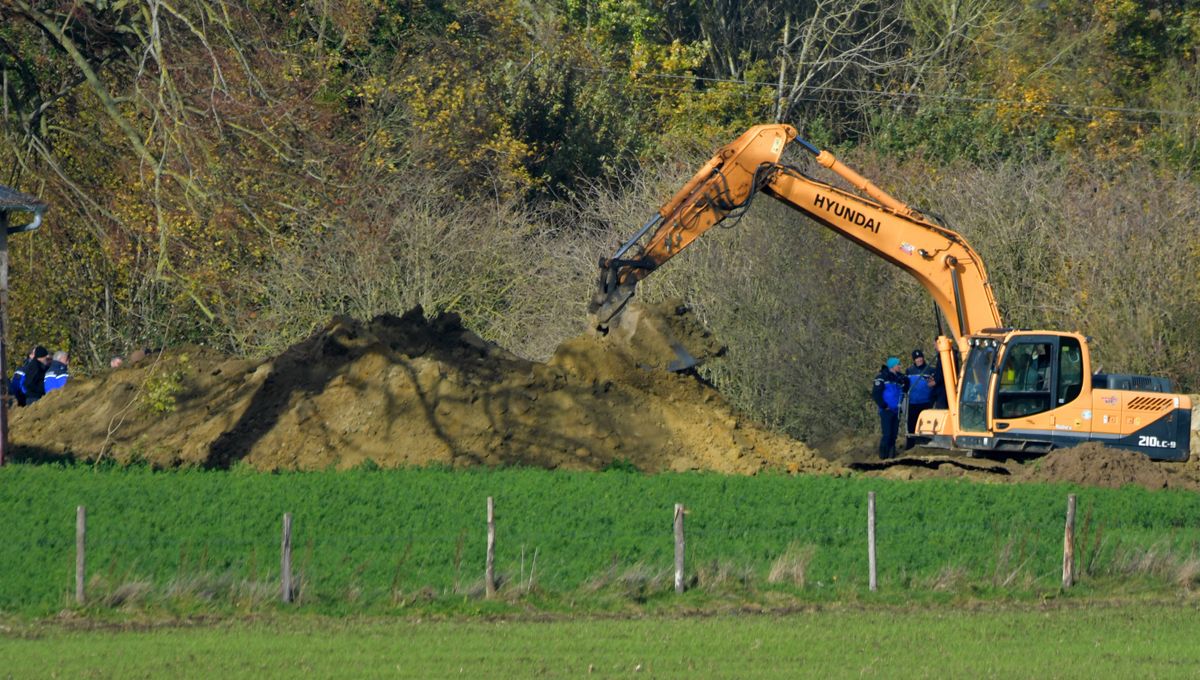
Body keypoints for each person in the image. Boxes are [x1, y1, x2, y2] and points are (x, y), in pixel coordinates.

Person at [872, 356, 910, 459]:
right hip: (886, 410)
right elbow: (876, 394)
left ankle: (891, 455)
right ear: (893, 366)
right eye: (898, 365)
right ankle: (883, 456)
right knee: (887, 434)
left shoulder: (898, 378)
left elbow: (905, 388)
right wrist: (884, 406)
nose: (899, 366)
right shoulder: (882, 377)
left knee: (894, 435)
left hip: (896, 410)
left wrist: (905, 381)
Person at [904, 349, 935, 449]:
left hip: (926, 402)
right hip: (913, 402)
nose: (919, 360)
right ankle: (910, 445)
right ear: (914, 360)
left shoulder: (930, 370)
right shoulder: (909, 371)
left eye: (920, 357)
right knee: (911, 424)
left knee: (926, 424)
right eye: (917, 358)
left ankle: (925, 444)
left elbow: (934, 384)